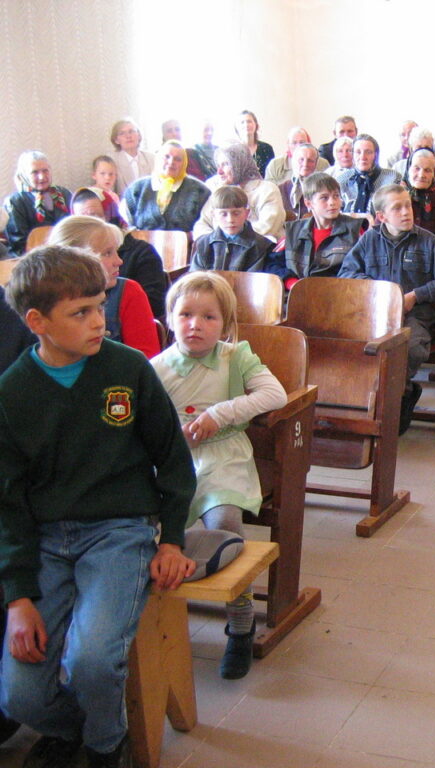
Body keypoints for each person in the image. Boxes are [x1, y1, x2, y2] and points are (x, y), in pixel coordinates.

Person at [0, 246, 195, 767]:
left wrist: (172, 538)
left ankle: (105, 748)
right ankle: (79, 728)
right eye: (80, 312)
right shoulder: (12, 392)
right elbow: (9, 503)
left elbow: (174, 461)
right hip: (45, 540)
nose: (99, 321)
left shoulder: (127, 368)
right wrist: (18, 598)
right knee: (18, 693)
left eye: (99, 305)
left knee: (92, 660)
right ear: (36, 321)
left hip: (119, 532)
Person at [151, 271, 286, 678]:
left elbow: (273, 394)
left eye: (209, 317)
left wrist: (219, 413)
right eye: (187, 314)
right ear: (171, 318)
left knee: (227, 529)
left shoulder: (235, 357)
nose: (196, 325)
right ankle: (153, 620)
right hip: (174, 463)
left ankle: (240, 625)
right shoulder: (155, 367)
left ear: (225, 324)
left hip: (224, 459)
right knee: (142, 528)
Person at [340, 185, 435, 434]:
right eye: (397, 208)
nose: (406, 212)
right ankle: (372, 403)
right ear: (381, 216)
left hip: (415, 315)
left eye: (408, 205)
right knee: (355, 346)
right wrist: (378, 290)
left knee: (408, 348)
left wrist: (416, 296)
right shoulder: (369, 240)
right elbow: (347, 273)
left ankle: (398, 397)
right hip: (377, 315)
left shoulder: (427, 241)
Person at [48, 215, 161, 358]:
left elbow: (146, 362)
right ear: (75, 259)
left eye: (116, 251)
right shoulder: (46, 298)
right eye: (107, 253)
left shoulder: (128, 292)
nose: (119, 261)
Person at [70, 188, 167, 319]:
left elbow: (154, 306)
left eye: (95, 217)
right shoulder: (71, 258)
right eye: (82, 220)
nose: (90, 226)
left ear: (110, 215)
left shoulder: (142, 253)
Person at [266, 172, 363, 286]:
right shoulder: (293, 231)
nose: (332, 202)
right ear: (309, 203)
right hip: (297, 295)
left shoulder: (355, 230)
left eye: (336, 196)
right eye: (324, 198)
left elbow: (359, 268)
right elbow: (272, 264)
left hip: (338, 295)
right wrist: (291, 283)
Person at [193, 143, 285, 242]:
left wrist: (231, 241)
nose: (219, 171)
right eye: (218, 165)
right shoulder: (217, 190)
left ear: (240, 163)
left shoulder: (266, 190)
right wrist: (216, 242)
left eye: (225, 164)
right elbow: (201, 224)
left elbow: (267, 227)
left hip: (259, 251)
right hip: (220, 250)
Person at [122, 140, 212, 232]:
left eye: (178, 159)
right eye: (166, 157)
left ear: (185, 163)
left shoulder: (201, 191)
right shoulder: (136, 190)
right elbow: (125, 225)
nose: (171, 162)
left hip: (186, 245)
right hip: (142, 245)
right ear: (158, 158)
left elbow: (207, 227)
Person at [191, 185, 275, 272]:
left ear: (247, 213)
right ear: (213, 215)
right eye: (223, 214)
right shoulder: (204, 244)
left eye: (236, 213)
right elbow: (195, 278)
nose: (230, 220)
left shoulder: (261, 246)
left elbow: (254, 281)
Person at [3, 150, 71, 255]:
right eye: (35, 172)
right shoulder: (15, 202)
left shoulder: (63, 194)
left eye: (45, 171)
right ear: (24, 175)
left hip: (65, 254)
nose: (42, 177)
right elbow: (19, 244)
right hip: (32, 258)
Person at [336, 135, 401, 225]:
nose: (363, 157)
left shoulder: (392, 178)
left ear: (376, 155)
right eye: (358, 152)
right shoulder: (341, 180)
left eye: (368, 152)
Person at [402, 148, 435, 239]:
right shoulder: (395, 196)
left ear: (434, 174)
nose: (421, 175)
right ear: (408, 169)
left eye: (427, 170)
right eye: (417, 168)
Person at [264, 126, 329, 186]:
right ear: (288, 144)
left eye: (302, 142)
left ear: (309, 143)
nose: (298, 146)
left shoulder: (323, 164)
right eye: (294, 143)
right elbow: (269, 191)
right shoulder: (275, 165)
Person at [108, 117, 154, 195]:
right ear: (116, 140)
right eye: (122, 133)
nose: (128, 136)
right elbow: (109, 191)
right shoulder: (111, 161)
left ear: (139, 135)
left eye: (131, 131)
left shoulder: (152, 158)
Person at [277, 143, 323, 220]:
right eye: (301, 159)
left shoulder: (323, 188)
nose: (305, 164)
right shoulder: (281, 189)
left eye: (310, 160)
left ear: (316, 164)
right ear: (293, 161)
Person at [88, 155, 127, 227]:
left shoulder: (114, 196)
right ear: (94, 175)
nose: (107, 178)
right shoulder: (89, 194)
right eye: (102, 173)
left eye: (111, 174)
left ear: (116, 176)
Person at [235, 110, 275, 176]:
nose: (246, 125)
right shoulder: (233, 151)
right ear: (236, 128)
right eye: (242, 122)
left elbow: (273, 174)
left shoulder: (267, 148)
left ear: (256, 125)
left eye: (249, 121)